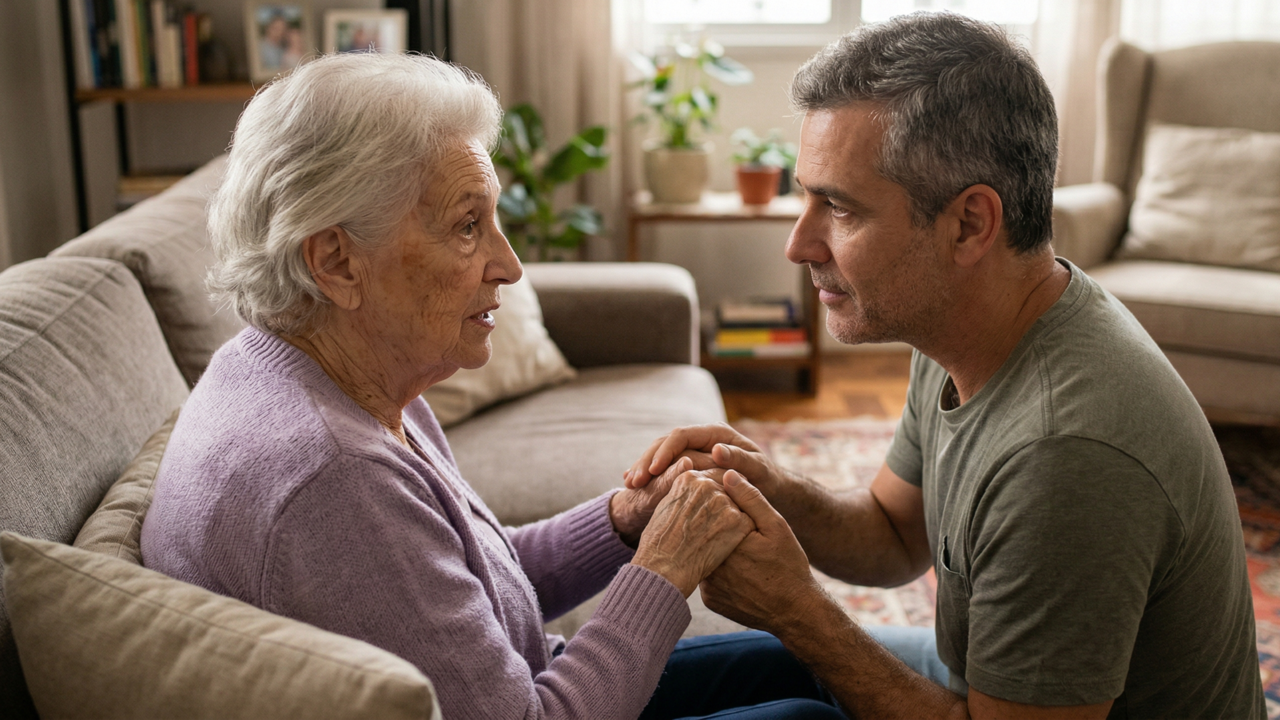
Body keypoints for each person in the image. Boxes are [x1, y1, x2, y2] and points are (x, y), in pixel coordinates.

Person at [139, 53, 844, 720]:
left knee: (801, 663)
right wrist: (664, 570)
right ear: (336, 262)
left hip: (521, 680)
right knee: (805, 716)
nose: (509, 264)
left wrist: (625, 520)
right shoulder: (332, 479)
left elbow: (467, 585)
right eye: (468, 226)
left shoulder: (329, 378)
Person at [627, 12, 1264, 720]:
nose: (798, 245)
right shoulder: (970, 326)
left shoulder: (1067, 455)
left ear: (969, 224)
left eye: (837, 208)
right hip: (979, 690)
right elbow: (894, 536)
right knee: (739, 672)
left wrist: (799, 610)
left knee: (794, 707)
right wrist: (771, 487)